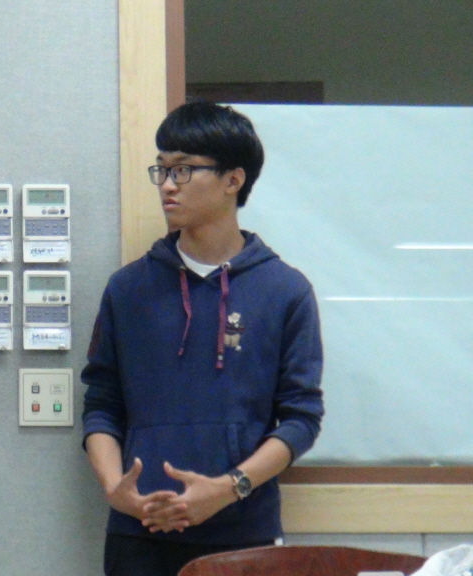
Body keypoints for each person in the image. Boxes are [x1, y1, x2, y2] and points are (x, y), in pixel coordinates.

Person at [81, 101, 324, 576]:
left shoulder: (285, 290)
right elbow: (101, 404)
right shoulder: (127, 289)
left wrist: (229, 488)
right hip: (138, 533)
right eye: (162, 169)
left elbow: (301, 418)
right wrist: (115, 489)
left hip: (243, 533)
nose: (168, 185)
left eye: (185, 169)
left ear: (233, 180)